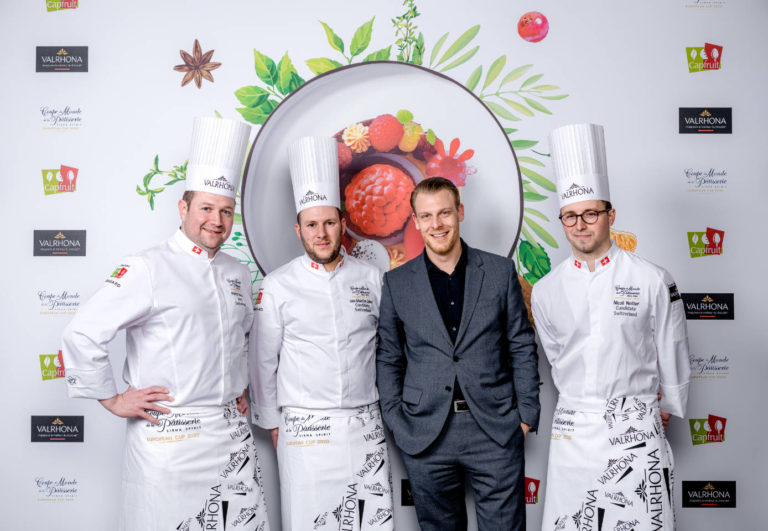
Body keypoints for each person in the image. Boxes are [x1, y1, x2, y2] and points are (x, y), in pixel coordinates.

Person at [61, 117, 270, 531]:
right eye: (206, 208)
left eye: (225, 211)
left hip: (230, 438)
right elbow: (81, 332)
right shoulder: (147, 267)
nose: (216, 220)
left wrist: (240, 384)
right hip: (169, 446)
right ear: (183, 208)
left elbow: (240, 336)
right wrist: (113, 399)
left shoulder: (237, 273)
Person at [532, 123, 690, 531]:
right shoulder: (546, 291)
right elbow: (556, 357)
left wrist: (663, 405)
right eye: (570, 216)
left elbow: (671, 346)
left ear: (610, 214)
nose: (580, 225)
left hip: (634, 423)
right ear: (562, 220)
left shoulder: (652, 278)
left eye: (590, 213)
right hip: (572, 429)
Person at [376, 176, 540, 531]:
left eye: (445, 213)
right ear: (416, 222)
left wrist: (525, 414)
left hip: (494, 428)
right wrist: (396, 419)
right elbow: (389, 357)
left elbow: (521, 343)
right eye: (427, 216)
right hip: (426, 431)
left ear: (460, 212)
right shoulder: (397, 283)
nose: (437, 224)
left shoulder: (498, 272)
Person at [250, 136, 394, 531]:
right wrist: (275, 425)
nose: (322, 233)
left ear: (343, 224)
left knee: (371, 524)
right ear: (298, 229)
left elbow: (388, 348)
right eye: (312, 225)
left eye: (330, 222)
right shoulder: (278, 285)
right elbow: (262, 359)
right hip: (305, 429)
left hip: (365, 424)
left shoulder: (372, 278)